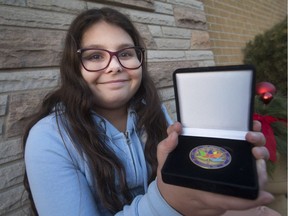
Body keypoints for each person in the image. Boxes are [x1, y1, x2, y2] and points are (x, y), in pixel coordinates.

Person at [23, 7, 278, 216]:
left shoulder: (152, 113)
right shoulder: (49, 139)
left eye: (125, 53)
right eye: (95, 56)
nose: (115, 66)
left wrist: (227, 166)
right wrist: (166, 201)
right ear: (74, 66)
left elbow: (187, 181)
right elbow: (172, 200)